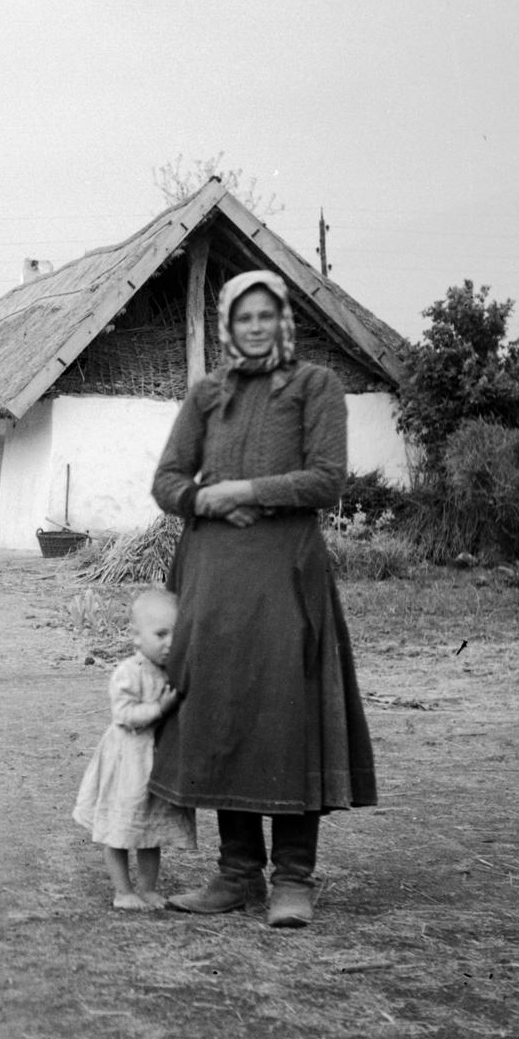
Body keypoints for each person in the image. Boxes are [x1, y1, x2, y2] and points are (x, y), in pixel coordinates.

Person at [148, 269, 375, 930]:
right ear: (228, 324)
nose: (254, 326)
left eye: (265, 315)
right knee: (222, 713)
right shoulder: (206, 395)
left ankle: (294, 880)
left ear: (284, 321)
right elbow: (166, 479)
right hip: (212, 578)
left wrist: (244, 493)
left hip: (284, 573)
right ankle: (237, 874)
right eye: (243, 317)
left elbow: (328, 479)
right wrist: (201, 500)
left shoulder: (315, 387)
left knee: (285, 714)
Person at [72, 588, 197, 910]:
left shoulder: (171, 671)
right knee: (120, 827)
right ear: (137, 637)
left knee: (149, 829)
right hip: (128, 763)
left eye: (176, 633)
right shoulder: (129, 673)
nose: (170, 642)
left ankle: (147, 887)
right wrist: (159, 708)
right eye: (160, 634)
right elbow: (124, 715)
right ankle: (123, 891)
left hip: (154, 764)